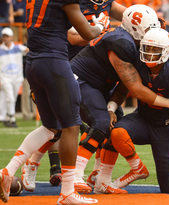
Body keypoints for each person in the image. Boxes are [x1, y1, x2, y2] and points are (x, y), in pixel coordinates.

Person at [0, 0, 110, 203]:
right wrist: (101, 25)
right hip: (54, 62)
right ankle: (67, 191)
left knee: (51, 127)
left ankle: (8, 170)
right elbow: (87, 33)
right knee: (71, 126)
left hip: (34, 63)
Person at [93, 27, 169, 194]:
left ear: (166, 51)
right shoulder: (138, 64)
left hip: (167, 127)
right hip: (142, 120)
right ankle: (135, 170)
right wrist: (111, 108)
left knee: (168, 188)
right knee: (116, 132)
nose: (149, 53)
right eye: (147, 48)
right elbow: (122, 89)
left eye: (155, 49)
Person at [21, 0, 127, 190]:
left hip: (93, 72)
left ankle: (96, 173)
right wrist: (101, 28)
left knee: (110, 120)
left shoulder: (107, 3)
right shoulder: (75, 3)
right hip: (67, 66)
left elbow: (130, 15)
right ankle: (34, 163)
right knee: (62, 125)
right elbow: (74, 37)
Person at [0, 27, 28, 128]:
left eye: (7, 36)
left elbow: (28, 50)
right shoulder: (0, 50)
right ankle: (12, 118)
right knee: (10, 98)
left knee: (13, 98)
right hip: (5, 78)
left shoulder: (18, 48)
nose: (5, 38)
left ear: (11, 37)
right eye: (4, 36)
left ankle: (7, 117)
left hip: (17, 78)